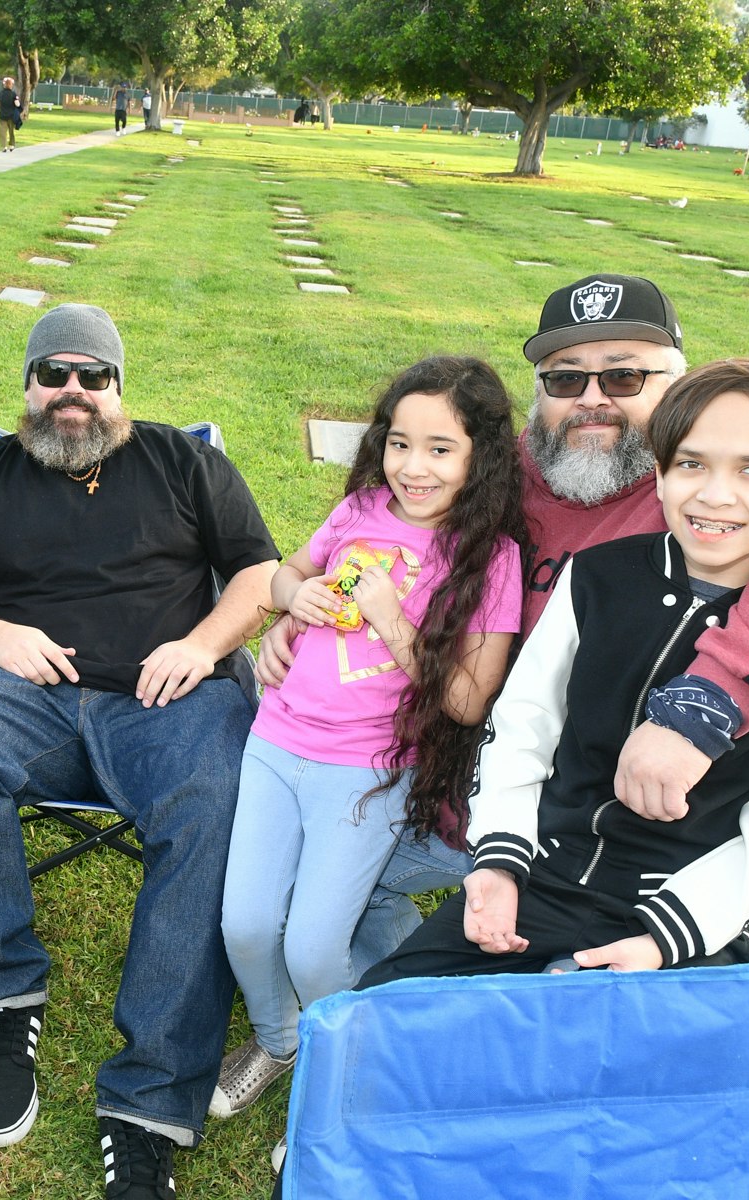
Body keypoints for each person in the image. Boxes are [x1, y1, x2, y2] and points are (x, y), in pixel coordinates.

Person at [257, 274, 749, 968]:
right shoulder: (492, 473)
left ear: (674, 394)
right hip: (436, 779)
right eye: (565, 379)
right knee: (286, 886)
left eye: (626, 376)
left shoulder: (735, 518)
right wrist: (296, 610)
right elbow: (353, 547)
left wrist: (700, 710)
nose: (592, 399)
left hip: (600, 836)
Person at [0, 304, 279, 1200]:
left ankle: (147, 1102)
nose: (73, 393)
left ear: (118, 389)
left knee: (219, 788)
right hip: (26, 697)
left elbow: (260, 576)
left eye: (92, 376)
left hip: (165, 695)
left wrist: (205, 646)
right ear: (27, 385)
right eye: (53, 374)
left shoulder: (185, 461)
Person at [359, 357, 749, 986]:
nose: (715, 494)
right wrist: (499, 863)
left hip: (681, 911)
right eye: (691, 464)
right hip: (543, 873)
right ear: (658, 476)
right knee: (382, 1009)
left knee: (611, 1066)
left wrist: (663, 939)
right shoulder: (598, 576)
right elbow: (524, 727)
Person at [212, 356, 525, 1120]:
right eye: (398, 442)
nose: (412, 467)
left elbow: (465, 700)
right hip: (277, 740)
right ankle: (282, 1039)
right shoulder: (359, 511)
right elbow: (283, 574)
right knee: (245, 926)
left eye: (439, 448)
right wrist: (294, 601)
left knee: (314, 949)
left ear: (480, 456)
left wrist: (391, 616)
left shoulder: (491, 560)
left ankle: (354, 1068)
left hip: (367, 771)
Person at [0, 75, 23, 151]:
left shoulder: (0, 93)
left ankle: (3, 146)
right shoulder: (13, 94)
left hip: (2, 116)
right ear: (11, 85)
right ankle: (11, 145)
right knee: (11, 131)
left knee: (2, 131)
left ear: (4, 84)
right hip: (11, 116)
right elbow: (17, 104)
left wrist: (0, 110)